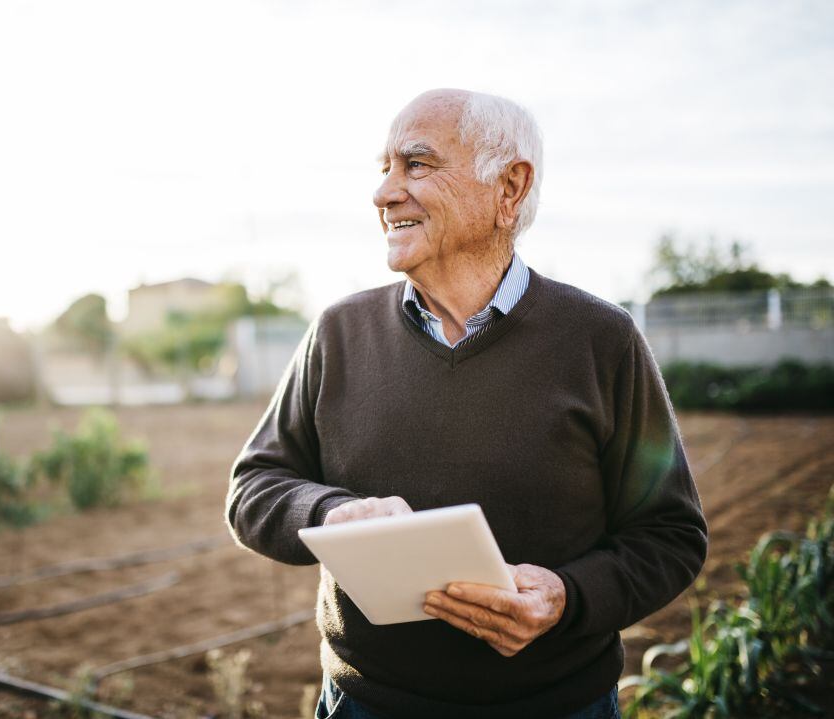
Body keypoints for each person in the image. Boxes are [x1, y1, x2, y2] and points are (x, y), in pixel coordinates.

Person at [225, 88, 707, 719]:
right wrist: (331, 514)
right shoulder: (339, 333)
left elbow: (670, 536)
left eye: (416, 165)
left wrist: (567, 595)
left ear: (509, 188)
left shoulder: (600, 339)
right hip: (366, 703)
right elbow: (254, 487)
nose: (384, 192)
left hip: (557, 707)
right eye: (385, 169)